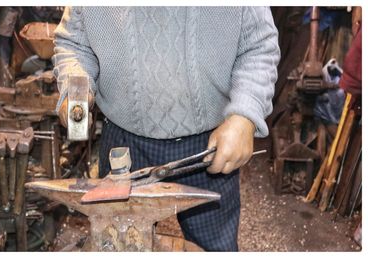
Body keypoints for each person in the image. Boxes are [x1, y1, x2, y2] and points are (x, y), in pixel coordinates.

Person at [53, 6, 280, 251]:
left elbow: (258, 47)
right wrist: (76, 85)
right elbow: (74, 44)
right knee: (117, 246)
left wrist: (244, 116)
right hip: (124, 144)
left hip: (208, 148)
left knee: (216, 247)